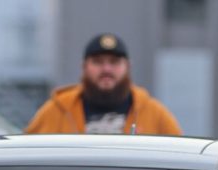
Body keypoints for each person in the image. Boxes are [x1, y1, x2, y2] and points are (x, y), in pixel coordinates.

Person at [24, 33, 183, 136]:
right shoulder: (56, 111)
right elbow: (25, 159)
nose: (106, 69)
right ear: (84, 67)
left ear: (128, 66)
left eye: (114, 62)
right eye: (98, 62)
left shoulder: (155, 114)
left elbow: (179, 163)